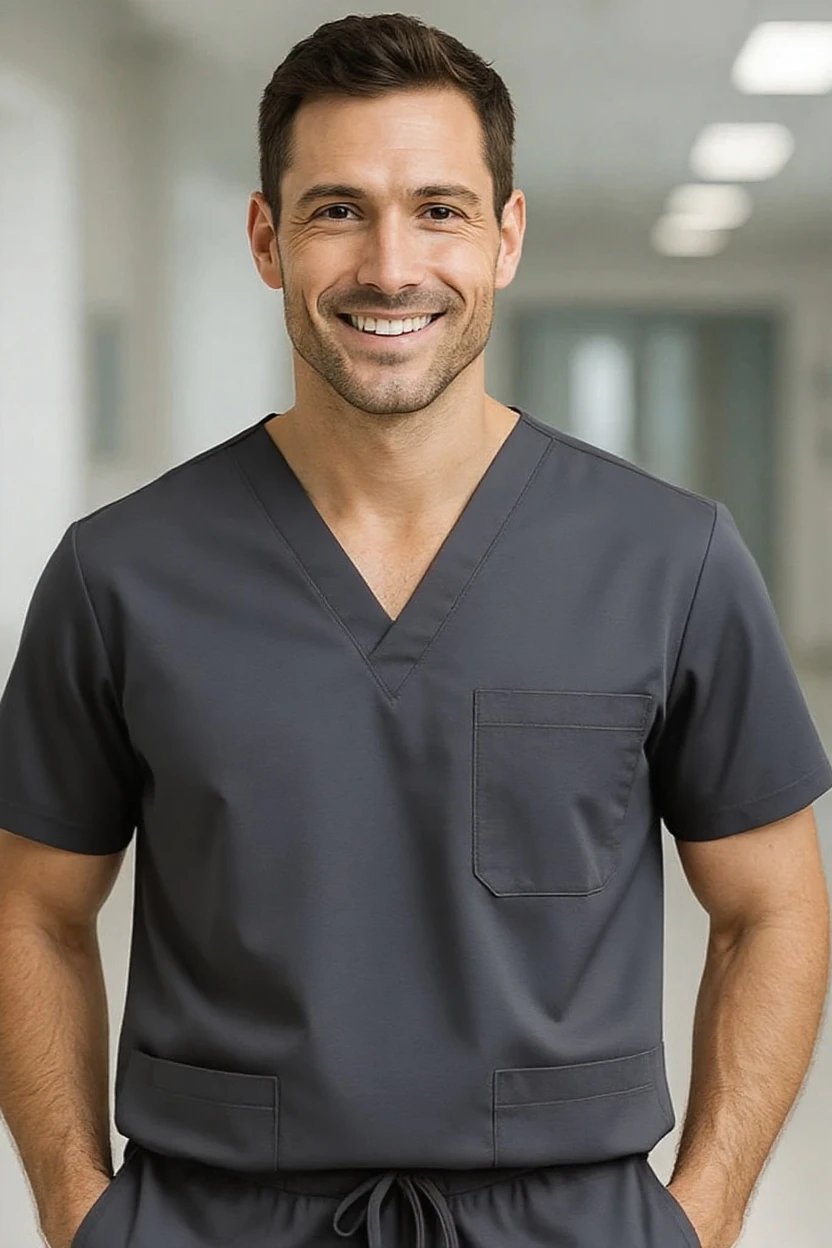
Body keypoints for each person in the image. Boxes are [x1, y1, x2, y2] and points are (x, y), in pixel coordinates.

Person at [0, 12, 830, 1248]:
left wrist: (696, 1223)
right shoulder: (120, 574)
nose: (390, 266)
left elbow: (774, 907)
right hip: (212, 1218)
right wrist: (81, 1215)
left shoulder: (671, 560)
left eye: (439, 210)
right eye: (337, 210)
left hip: (565, 1222)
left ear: (506, 237)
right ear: (266, 239)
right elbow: (31, 908)